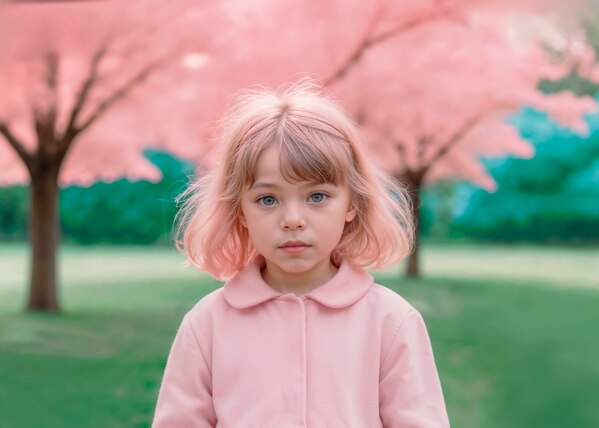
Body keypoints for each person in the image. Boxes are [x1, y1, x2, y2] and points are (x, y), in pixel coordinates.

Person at [152, 78, 450, 427]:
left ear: (352, 203)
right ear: (240, 211)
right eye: (268, 199)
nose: (293, 220)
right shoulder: (207, 325)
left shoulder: (391, 322)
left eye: (317, 196)